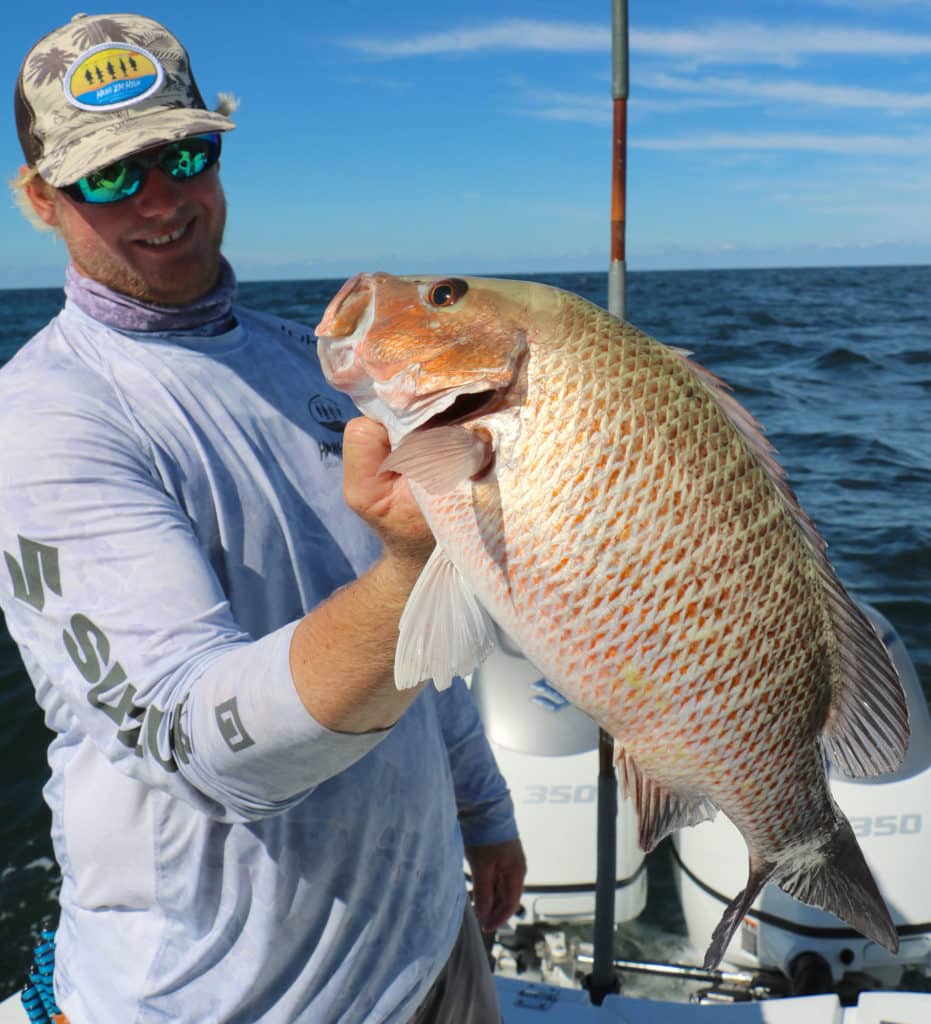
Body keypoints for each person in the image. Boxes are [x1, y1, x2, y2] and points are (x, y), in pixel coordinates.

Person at [2, 13, 525, 1024]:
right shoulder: (46, 422)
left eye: (183, 153)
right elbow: (204, 740)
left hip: (426, 948)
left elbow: (431, 631)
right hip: (228, 1000)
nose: (161, 200)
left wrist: (482, 805)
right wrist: (412, 566)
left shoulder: (317, 360)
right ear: (40, 200)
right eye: (108, 177)